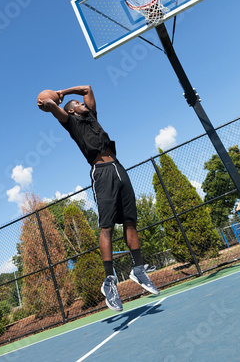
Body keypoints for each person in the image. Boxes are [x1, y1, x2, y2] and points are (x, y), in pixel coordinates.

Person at [37, 85, 159, 312]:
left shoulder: (91, 115)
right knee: (107, 227)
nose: (83, 104)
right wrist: (51, 99)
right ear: (72, 111)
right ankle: (110, 281)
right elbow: (51, 105)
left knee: (131, 221)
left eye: (83, 103)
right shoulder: (70, 123)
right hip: (101, 173)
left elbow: (87, 88)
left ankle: (139, 269)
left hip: (118, 167)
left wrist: (64, 91)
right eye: (79, 105)